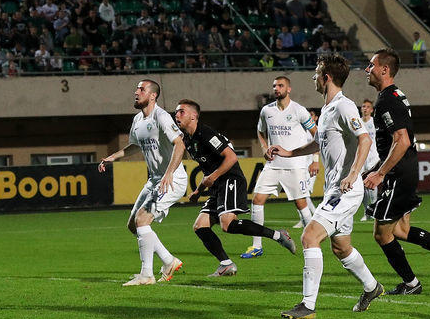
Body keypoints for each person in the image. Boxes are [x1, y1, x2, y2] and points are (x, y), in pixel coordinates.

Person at [274, 54, 384, 319]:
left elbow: (365, 140)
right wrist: (289, 153)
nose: (313, 77)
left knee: (309, 237)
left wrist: (353, 174)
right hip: (337, 188)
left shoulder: (344, 107)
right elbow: (320, 144)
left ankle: (307, 305)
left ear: (327, 77)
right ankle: (372, 287)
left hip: (345, 190)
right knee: (341, 247)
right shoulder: (327, 110)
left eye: (316, 72)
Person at [363, 49, 430, 294]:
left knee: (382, 234)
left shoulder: (387, 100)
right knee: (400, 230)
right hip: (405, 169)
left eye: (371, 65)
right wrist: (375, 169)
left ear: (384, 69)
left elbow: (401, 141)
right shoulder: (396, 95)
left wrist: (380, 173)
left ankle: (412, 283)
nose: (367, 70)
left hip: (399, 173)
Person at [175, 99, 296, 277]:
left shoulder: (205, 133)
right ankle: (226, 264)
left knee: (227, 224)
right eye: (176, 112)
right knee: (200, 226)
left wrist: (213, 177)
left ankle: (278, 235)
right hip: (217, 184)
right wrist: (198, 191)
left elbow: (231, 158)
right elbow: (207, 169)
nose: (177, 115)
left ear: (194, 116)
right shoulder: (188, 140)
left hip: (230, 178)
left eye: (181, 112)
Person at [97, 82, 187, 286]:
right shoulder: (138, 119)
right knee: (133, 225)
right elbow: (134, 146)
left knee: (142, 221)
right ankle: (168, 260)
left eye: (142, 89)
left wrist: (169, 173)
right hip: (154, 179)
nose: (136, 92)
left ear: (153, 96)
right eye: (137, 89)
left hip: (171, 179)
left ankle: (147, 274)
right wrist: (113, 156)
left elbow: (180, 143)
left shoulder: (161, 116)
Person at [242, 76, 318, 259]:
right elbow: (260, 131)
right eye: (274, 86)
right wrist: (264, 148)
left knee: (301, 204)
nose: (277, 88)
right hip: (273, 165)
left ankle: (313, 242)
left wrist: (315, 159)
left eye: (280, 85)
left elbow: (318, 135)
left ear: (289, 89)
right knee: (257, 200)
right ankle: (256, 245)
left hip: (295, 165)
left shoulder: (299, 111)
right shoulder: (266, 111)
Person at [358, 99, 379, 222]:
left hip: (373, 157)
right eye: (363, 106)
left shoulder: (374, 122)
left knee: (372, 184)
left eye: (367, 106)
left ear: (371, 110)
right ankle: (367, 212)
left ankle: (375, 210)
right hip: (361, 157)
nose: (365, 108)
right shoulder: (358, 123)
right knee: (362, 187)